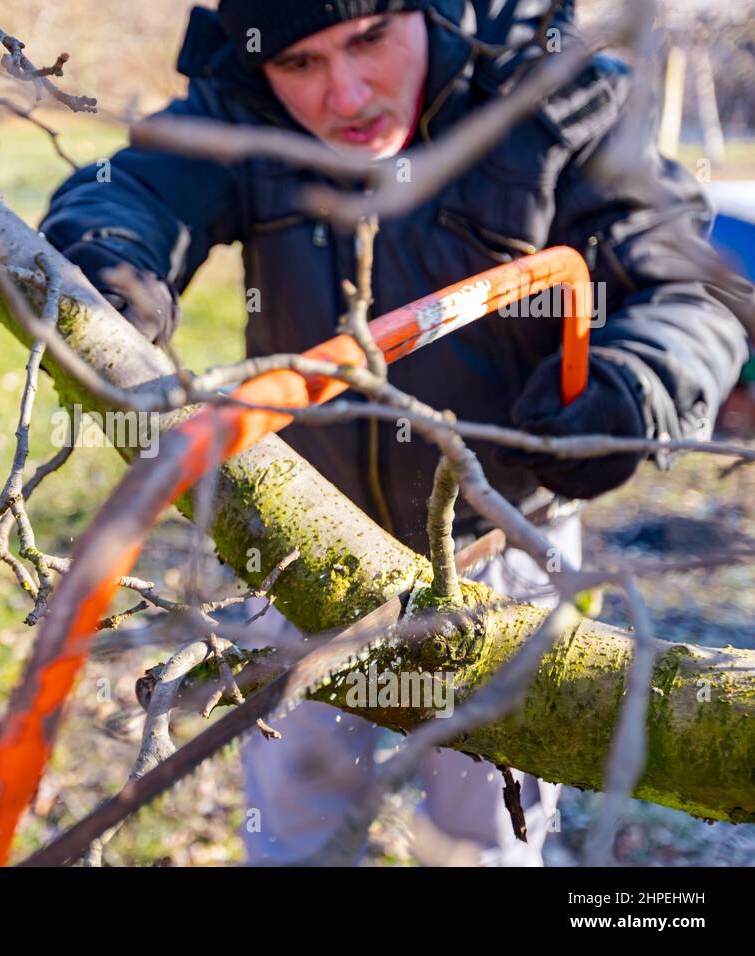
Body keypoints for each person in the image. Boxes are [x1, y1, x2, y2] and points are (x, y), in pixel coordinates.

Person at [40, 0, 753, 864]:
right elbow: (131, 197)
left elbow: (686, 286)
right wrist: (106, 275)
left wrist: (639, 385)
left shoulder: (553, 101)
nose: (344, 92)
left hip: (502, 552)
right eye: (299, 62)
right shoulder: (243, 107)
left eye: (369, 39)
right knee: (296, 809)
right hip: (296, 545)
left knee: (485, 830)